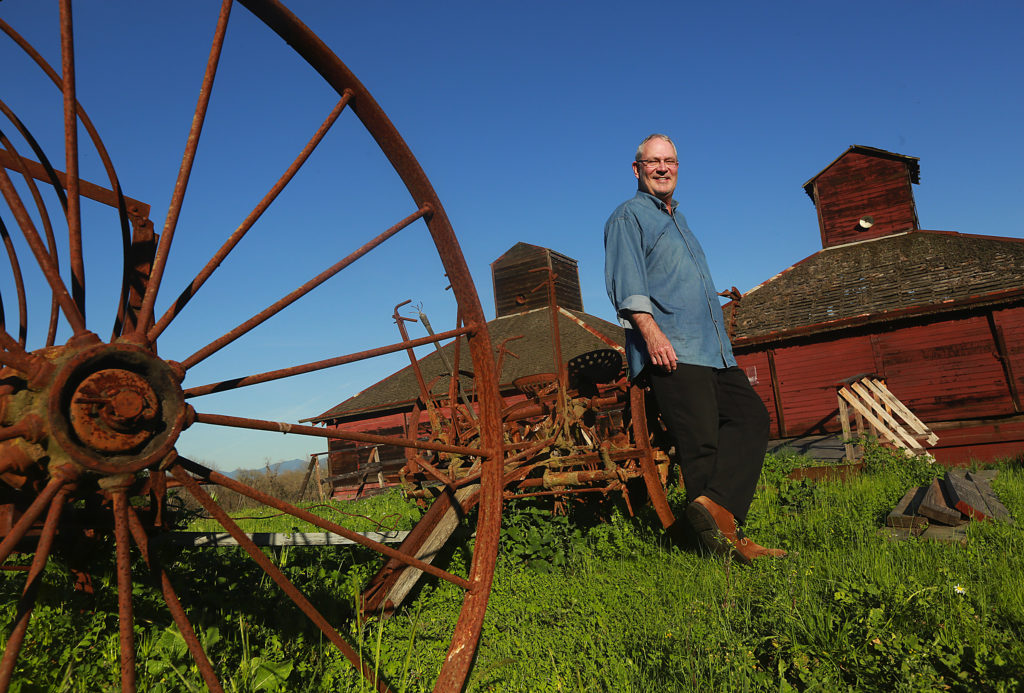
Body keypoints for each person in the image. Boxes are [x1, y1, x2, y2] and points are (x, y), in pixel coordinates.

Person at [604, 133, 785, 564]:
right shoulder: (629, 216)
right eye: (653, 162)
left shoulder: (678, 221)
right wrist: (651, 335)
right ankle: (721, 551)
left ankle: (708, 513)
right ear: (637, 169)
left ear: (678, 167)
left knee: (751, 417)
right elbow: (626, 285)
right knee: (701, 445)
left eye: (669, 161)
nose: (662, 168)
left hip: (714, 350)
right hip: (673, 349)